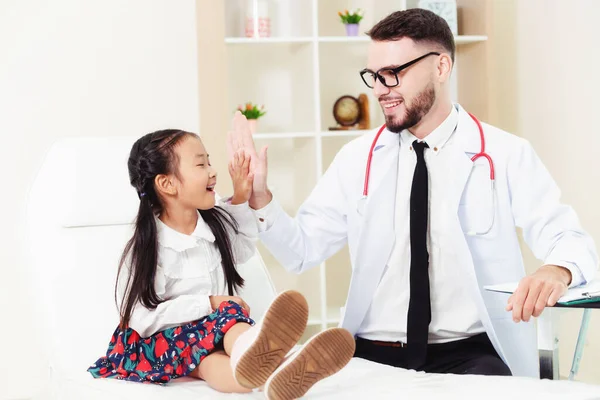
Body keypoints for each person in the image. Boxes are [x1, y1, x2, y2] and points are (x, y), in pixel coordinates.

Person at [227, 9, 598, 378]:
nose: (379, 90)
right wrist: (260, 195)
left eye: (394, 74)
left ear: (441, 67)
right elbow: (301, 251)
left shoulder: (505, 153)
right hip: (372, 351)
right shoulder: (357, 159)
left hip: (470, 353)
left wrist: (557, 269)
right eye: (374, 76)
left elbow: (568, 237)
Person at [87, 129, 355, 399]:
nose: (213, 171)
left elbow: (241, 248)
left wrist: (241, 195)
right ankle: (263, 355)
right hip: (156, 344)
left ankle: (274, 376)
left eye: (209, 161)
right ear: (167, 184)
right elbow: (142, 318)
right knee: (226, 324)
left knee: (211, 359)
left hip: (207, 338)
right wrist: (211, 303)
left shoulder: (212, 223)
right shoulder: (148, 248)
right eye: (201, 164)